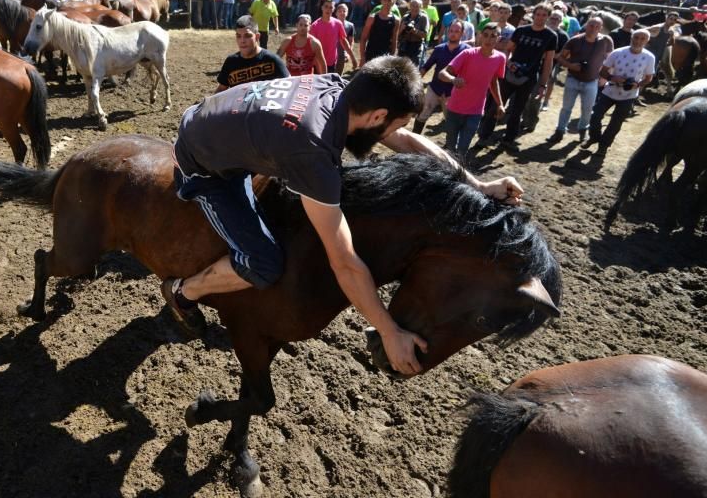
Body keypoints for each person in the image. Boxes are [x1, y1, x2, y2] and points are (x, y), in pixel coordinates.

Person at [162, 54, 524, 376]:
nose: (395, 135)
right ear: (378, 115)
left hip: (222, 122)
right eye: (395, 124)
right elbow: (345, 262)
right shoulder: (312, 149)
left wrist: (478, 186)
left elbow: (408, 144)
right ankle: (183, 293)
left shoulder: (340, 88)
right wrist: (388, 330)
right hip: (202, 160)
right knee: (262, 263)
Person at [477, 2, 557, 150]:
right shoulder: (521, 30)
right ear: (533, 15)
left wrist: (543, 84)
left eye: (544, 15)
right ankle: (484, 137)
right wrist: (507, 64)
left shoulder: (551, 36)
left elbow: (548, 62)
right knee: (496, 105)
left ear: (548, 17)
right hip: (510, 73)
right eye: (538, 14)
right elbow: (508, 50)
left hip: (529, 77)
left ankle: (508, 140)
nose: (540, 17)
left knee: (517, 111)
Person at [582, 30, 655, 159]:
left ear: (647, 41)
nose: (638, 41)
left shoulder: (649, 57)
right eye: (636, 37)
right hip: (609, 90)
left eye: (642, 39)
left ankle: (603, 147)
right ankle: (594, 137)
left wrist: (637, 84)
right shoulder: (618, 52)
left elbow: (649, 78)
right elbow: (603, 71)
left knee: (615, 123)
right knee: (595, 115)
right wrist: (612, 77)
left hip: (629, 95)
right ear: (631, 37)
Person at [438, 23, 506, 155]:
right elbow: (442, 73)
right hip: (455, 108)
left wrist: (500, 104)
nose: (488, 39)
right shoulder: (467, 54)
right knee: (451, 146)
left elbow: (493, 81)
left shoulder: (500, 58)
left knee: (463, 149)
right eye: (485, 35)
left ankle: (458, 171)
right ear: (480, 36)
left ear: (498, 39)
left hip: (476, 111)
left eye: (493, 36)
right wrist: (453, 79)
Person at [547, 17, 613, 144]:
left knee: (588, 109)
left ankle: (583, 131)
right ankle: (559, 131)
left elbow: (610, 60)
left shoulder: (606, 41)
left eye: (597, 26)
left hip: (592, 81)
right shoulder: (575, 40)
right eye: (591, 25)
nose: (593, 29)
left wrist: (605, 77)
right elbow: (560, 58)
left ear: (601, 28)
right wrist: (571, 66)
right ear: (586, 25)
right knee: (566, 107)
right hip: (573, 78)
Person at [414, 20, 471, 134]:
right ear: (447, 32)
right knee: (422, 115)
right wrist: (415, 83)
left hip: (453, 92)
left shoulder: (467, 51)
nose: (453, 33)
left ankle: (450, 147)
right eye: (451, 31)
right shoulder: (439, 49)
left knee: (451, 120)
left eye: (457, 31)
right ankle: (413, 141)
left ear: (462, 33)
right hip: (435, 88)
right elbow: (426, 67)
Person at [214, 15, 289, 92]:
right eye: (238, 36)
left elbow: (290, 86)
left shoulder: (272, 60)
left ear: (257, 37)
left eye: (247, 36)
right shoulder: (231, 62)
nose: (242, 41)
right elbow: (221, 89)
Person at [310, 0, 353, 74]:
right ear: (322, 8)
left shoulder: (338, 23)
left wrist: (352, 57)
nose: (328, 9)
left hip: (332, 62)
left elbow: (343, 40)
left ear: (334, 9)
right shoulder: (315, 25)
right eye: (326, 6)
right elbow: (311, 47)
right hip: (318, 62)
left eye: (331, 7)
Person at [359, 0, 399, 66]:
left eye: (390, 0)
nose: (387, 2)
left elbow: (394, 40)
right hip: (371, 54)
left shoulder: (396, 20)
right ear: (381, 1)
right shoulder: (372, 18)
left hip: (385, 56)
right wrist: (362, 57)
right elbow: (363, 38)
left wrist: (393, 57)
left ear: (393, 2)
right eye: (385, 0)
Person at [334, 3, 357, 75]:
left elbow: (351, 41)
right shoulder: (331, 23)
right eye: (340, 11)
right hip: (331, 53)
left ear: (347, 13)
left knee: (338, 74)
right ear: (336, 13)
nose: (342, 13)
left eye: (344, 11)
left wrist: (348, 54)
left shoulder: (350, 26)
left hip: (342, 54)